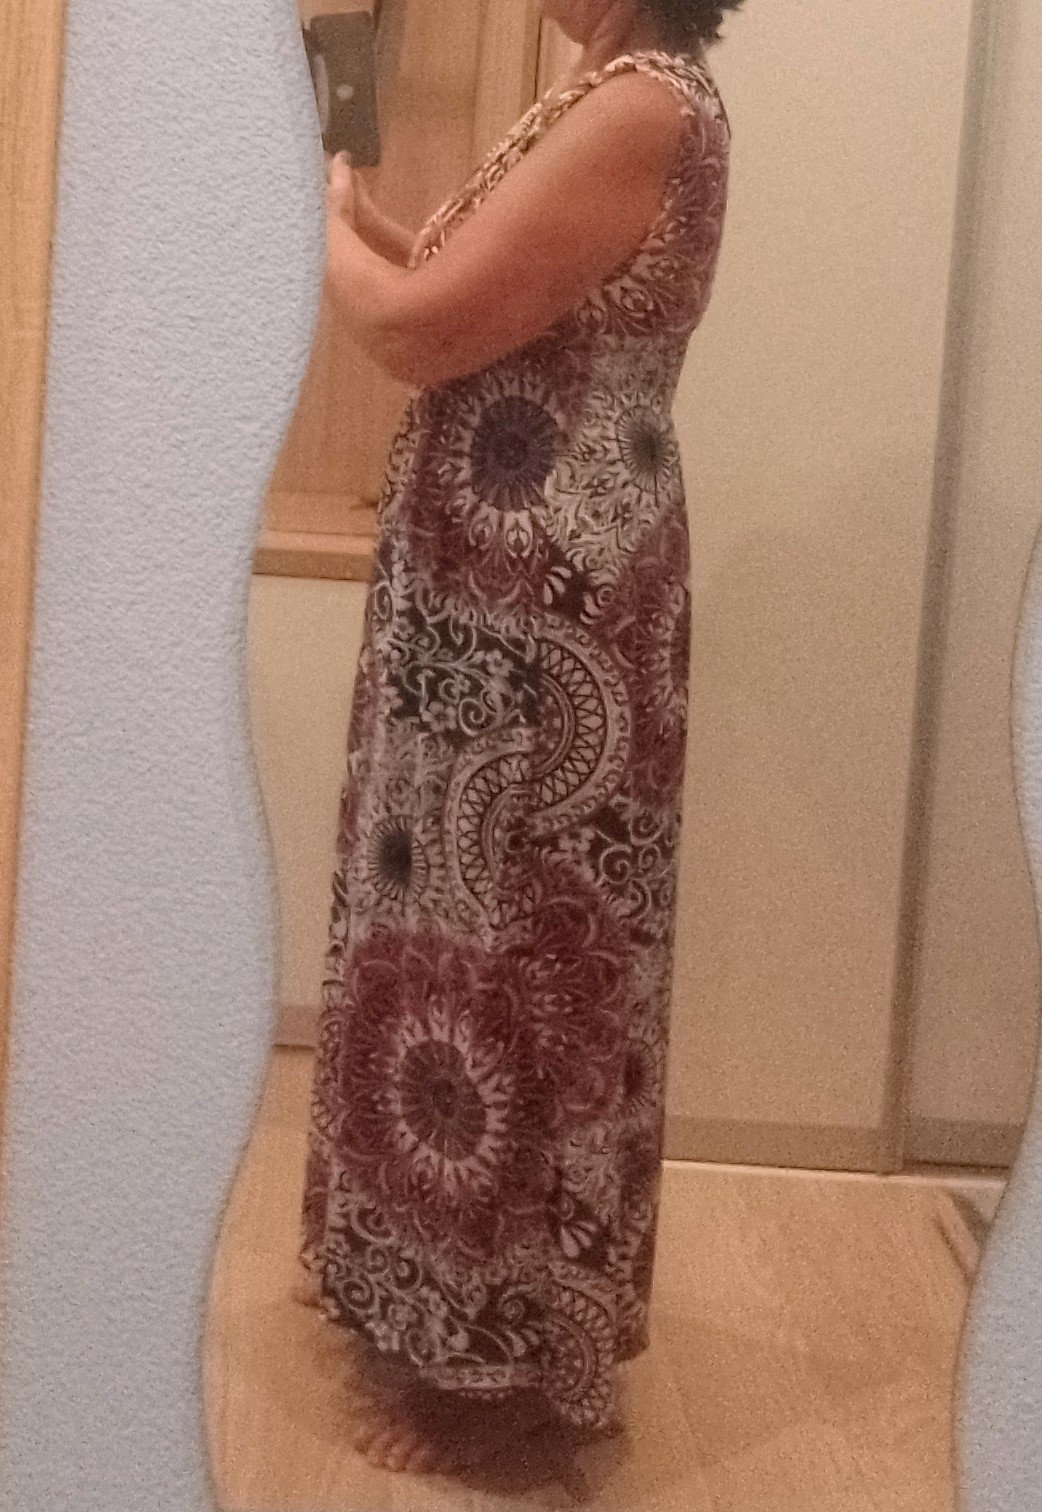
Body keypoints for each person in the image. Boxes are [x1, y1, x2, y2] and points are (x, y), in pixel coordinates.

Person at [297, 0, 740, 1480]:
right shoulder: (605, 90)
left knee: (513, 959)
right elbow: (455, 278)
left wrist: (312, 219)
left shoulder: (642, 107)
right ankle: (416, 1299)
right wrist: (367, 216)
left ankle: (499, 1374)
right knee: (447, 938)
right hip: (494, 599)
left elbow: (418, 329)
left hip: (542, 619)